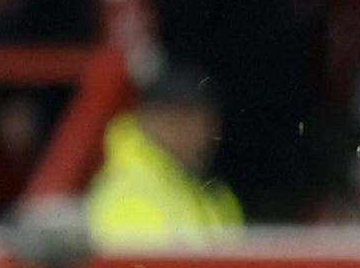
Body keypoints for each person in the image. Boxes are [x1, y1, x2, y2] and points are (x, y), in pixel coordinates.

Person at [85, 62, 244, 248]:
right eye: (180, 121)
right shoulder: (128, 191)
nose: (199, 134)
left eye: (207, 122)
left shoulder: (215, 194)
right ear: (147, 119)